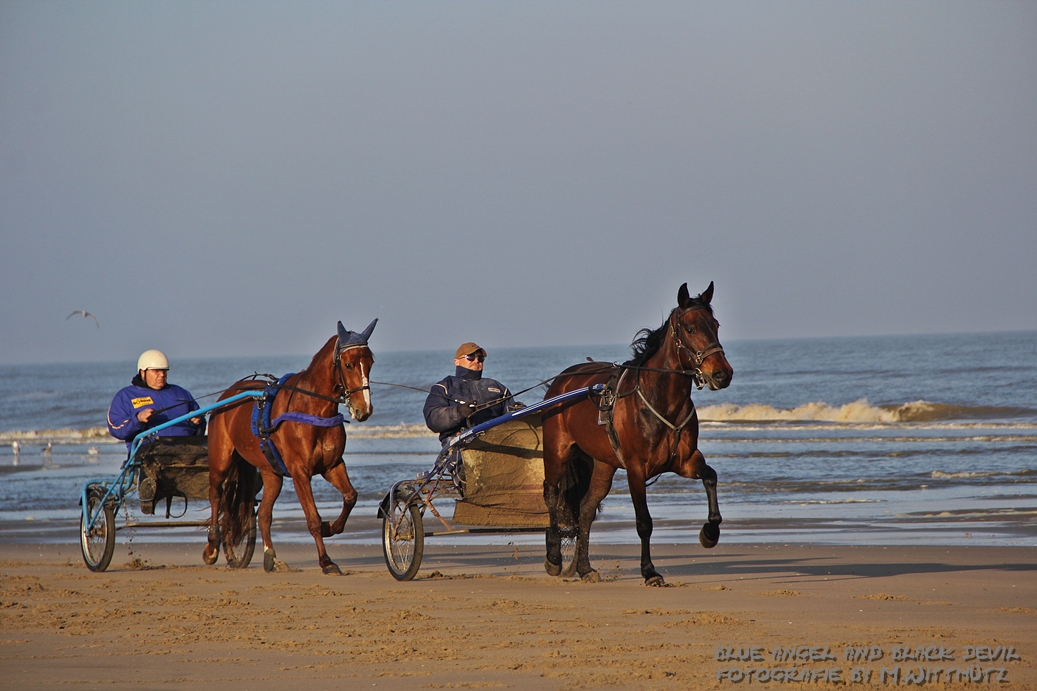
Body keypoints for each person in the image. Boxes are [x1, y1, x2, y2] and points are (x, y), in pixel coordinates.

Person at [107, 349, 205, 450]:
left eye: (164, 371)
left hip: (184, 452)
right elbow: (116, 430)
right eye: (156, 371)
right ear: (142, 372)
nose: (162, 375)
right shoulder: (125, 395)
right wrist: (138, 419)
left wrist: (198, 422)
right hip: (149, 456)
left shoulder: (181, 393)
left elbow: (200, 429)